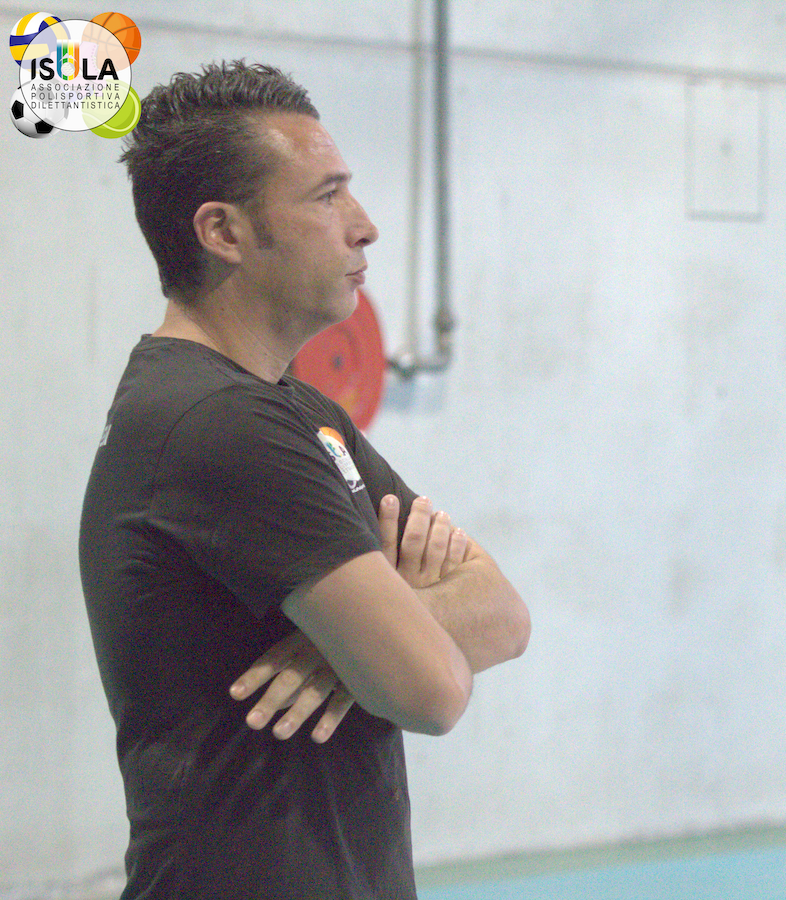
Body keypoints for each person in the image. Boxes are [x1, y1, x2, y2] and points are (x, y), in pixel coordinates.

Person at [78, 60, 530, 899]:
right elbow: (431, 691)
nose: (365, 227)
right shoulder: (220, 425)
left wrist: (348, 646)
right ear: (223, 231)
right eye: (327, 197)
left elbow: (504, 613)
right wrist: (382, 645)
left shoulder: (294, 409)